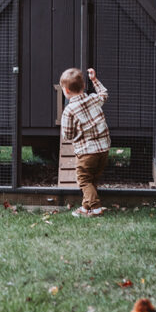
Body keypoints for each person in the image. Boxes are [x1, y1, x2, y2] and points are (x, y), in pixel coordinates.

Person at [60, 67, 110, 217]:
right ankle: (84, 207)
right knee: (92, 179)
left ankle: (96, 208)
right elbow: (104, 94)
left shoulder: (69, 110)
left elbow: (67, 135)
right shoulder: (93, 99)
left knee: (84, 180)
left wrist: (75, 133)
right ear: (83, 86)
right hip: (103, 149)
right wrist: (94, 80)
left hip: (86, 152)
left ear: (66, 91)